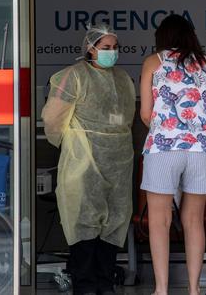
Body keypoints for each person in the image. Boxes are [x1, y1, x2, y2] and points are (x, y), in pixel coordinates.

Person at [41, 24, 136, 295]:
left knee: (114, 221)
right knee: (83, 219)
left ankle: (105, 283)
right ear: (90, 49)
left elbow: (127, 116)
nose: (112, 53)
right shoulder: (72, 77)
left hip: (118, 159)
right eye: (105, 48)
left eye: (115, 47)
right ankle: (84, 285)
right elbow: (52, 117)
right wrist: (71, 143)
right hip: (84, 158)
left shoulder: (123, 78)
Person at [140, 14, 206, 295]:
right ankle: (194, 289)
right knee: (194, 220)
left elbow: (145, 113)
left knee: (160, 221)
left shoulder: (154, 62)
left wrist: (168, 128)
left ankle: (161, 289)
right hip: (203, 148)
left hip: (164, 147)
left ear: (161, 37)